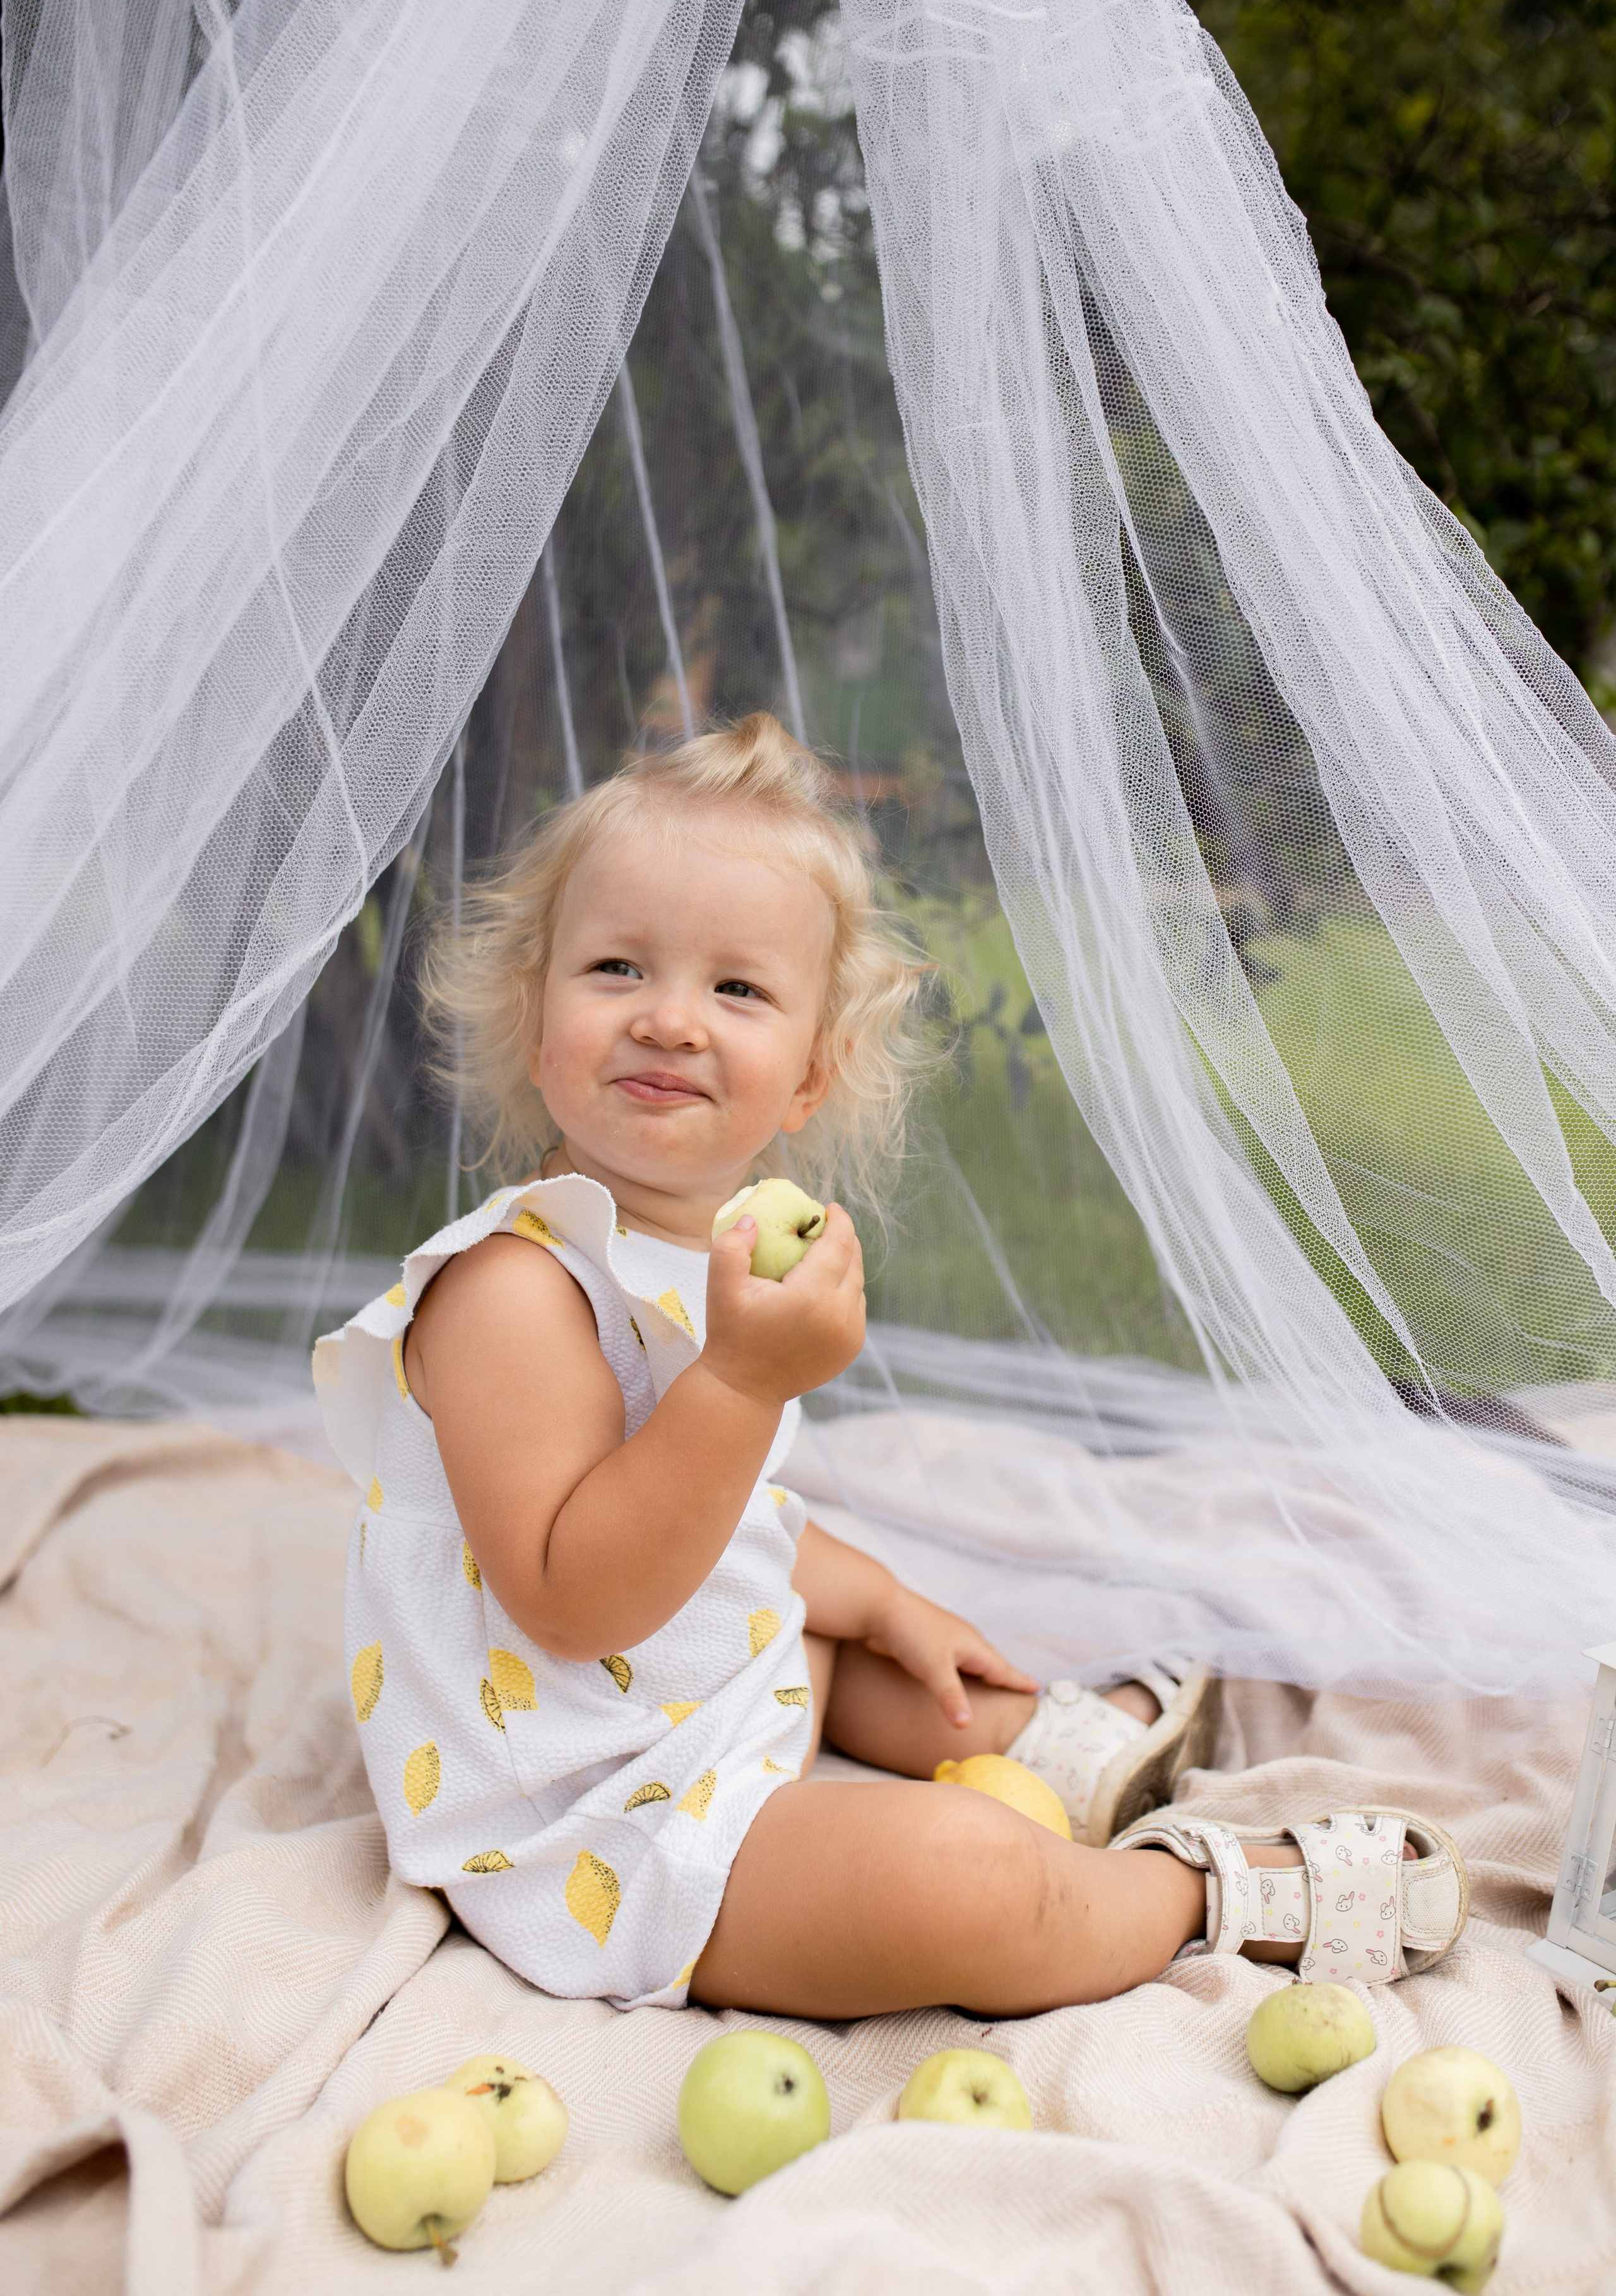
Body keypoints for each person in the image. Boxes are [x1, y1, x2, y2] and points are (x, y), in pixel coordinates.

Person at [317, 715, 1468, 2018]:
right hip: (595, 1823)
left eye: (735, 990)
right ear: (535, 1025)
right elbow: (574, 1601)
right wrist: (743, 1386)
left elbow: (724, 1516)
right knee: (966, 1885)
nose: (670, 1020)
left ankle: (1050, 1754)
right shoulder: (510, 1292)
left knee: (875, 1647)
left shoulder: (710, 1251)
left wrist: (870, 1598)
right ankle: (1187, 1889)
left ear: (808, 1078)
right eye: (615, 967)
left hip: (695, 1703)